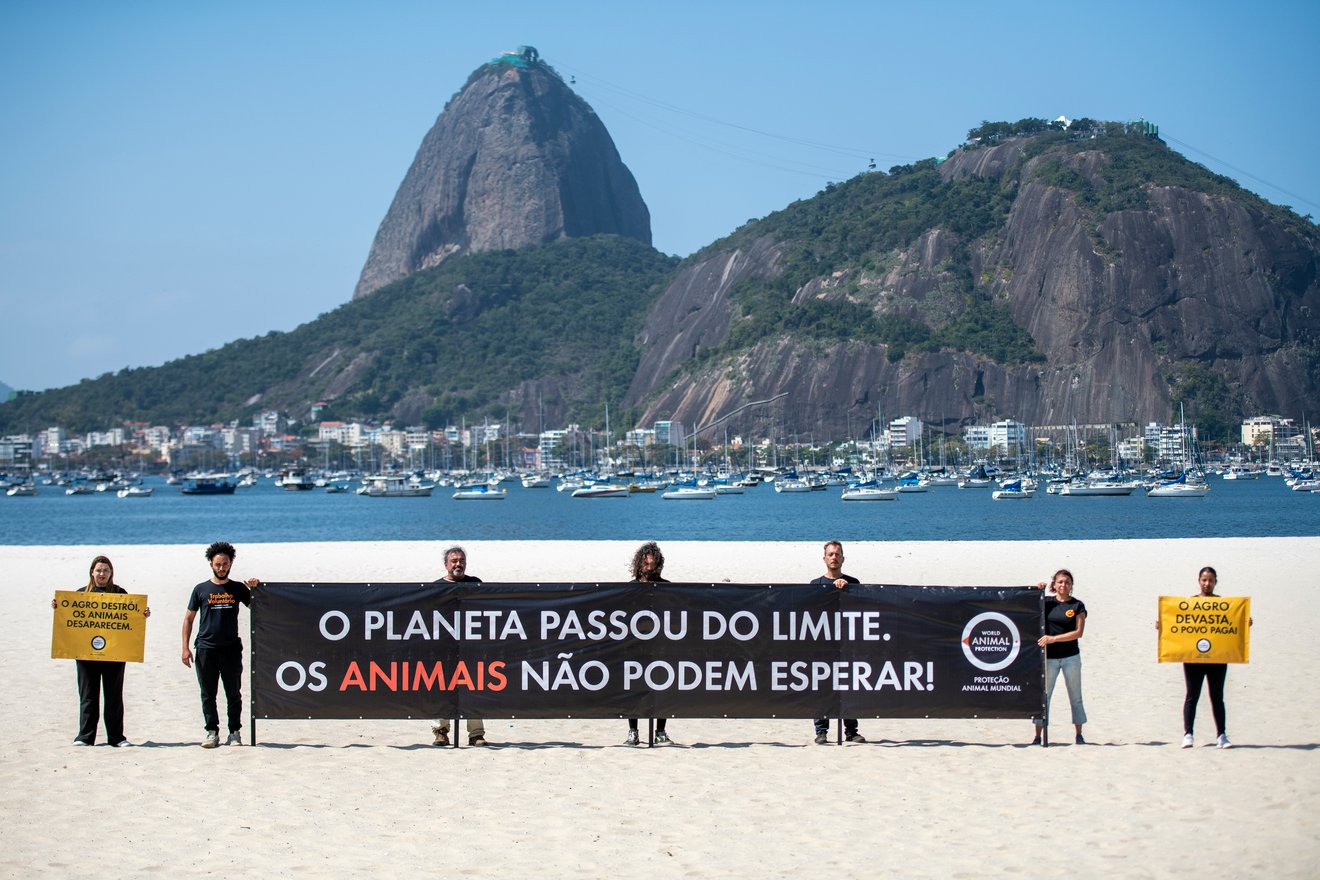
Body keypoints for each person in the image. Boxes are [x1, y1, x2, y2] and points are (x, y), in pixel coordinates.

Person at [53, 556, 151, 746]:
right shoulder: (81, 594)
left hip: (115, 653)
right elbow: (69, 616)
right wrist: (58, 607)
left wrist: (142, 614)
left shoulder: (120, 593)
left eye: (106, 570)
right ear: (92, 572)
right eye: (98, 570)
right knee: (88, 695)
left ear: (111, 573)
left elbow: (130, 618)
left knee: (113, 696)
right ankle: (85, 736)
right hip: (85, 654)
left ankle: (116, 737)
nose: (102, 574)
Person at [181, 541, 260, 749]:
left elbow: (258, 608)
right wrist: (185, 647)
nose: (221, 568)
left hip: (231, 648)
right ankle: (212, 732)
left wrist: (255, 589)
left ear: (231, 564)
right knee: (208, 693)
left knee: (233, 692)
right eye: (218, 564)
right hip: (206, 648)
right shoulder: (201, 589)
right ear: (211, 565)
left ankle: (234, 733)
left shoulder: (237, 588)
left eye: (225, 564)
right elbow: (189, 619)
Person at [1180, 566, 1251, 749]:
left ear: (1215, 582)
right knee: (1192, 696)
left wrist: (1245, 623)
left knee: (1217, 697)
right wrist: (1162, 624)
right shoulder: (1189, 603)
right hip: (1194, 658)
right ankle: (1188, 734)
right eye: (1204, 580)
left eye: (1210, 580)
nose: (1207, 583)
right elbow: (1178, 626)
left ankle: (1221, 735)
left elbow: (1231, 625)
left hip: (1217, 658)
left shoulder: (1222, 604)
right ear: (1198, 581)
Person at [431, 546, 490, 747]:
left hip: (470, 648)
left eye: (461, 560)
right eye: (454, 561)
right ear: (446, 564)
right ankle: (441, 731)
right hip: (444, 649)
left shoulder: (476, 584)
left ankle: (476, 734)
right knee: (441, 688)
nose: (458, 564)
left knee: (473, 687)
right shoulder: (435, 587)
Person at [811, 540, 866, 745]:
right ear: (824, 558)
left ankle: (851, 731)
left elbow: (861, 608)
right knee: (821, 688)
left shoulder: (853, 582)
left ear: (843, 558)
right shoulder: (814, 584)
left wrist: (845, 590)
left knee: (849, 687)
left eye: (837, 554)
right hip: (823, 646)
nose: (834, 557)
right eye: (830, 554)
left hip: (847, 646)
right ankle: (821, 731)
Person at [1031, 569, 1087, 745]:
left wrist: (1053, 639)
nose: (1064, 585)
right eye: (1060, 582)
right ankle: (1038, 735)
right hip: (1049, 658)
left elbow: (1078, 632)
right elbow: (1027, 604)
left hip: (1071, 657)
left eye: (1067, 582)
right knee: (1044, 696)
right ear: (1054, 584)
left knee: (1075, 696)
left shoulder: (1077, 606)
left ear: (1071, 586)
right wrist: (1035, 589)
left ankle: (1079, 734)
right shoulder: (1046, 602)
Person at [626, 541, 671, 746]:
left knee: (662, 689)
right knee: (633, 689)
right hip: (635, 647)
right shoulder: (629, 589)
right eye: (646, 564)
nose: (649, 567)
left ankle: (660, 731)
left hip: (661, 647)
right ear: (640, 563)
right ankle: (633, 731)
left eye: (652, 564)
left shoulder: (667, 587)